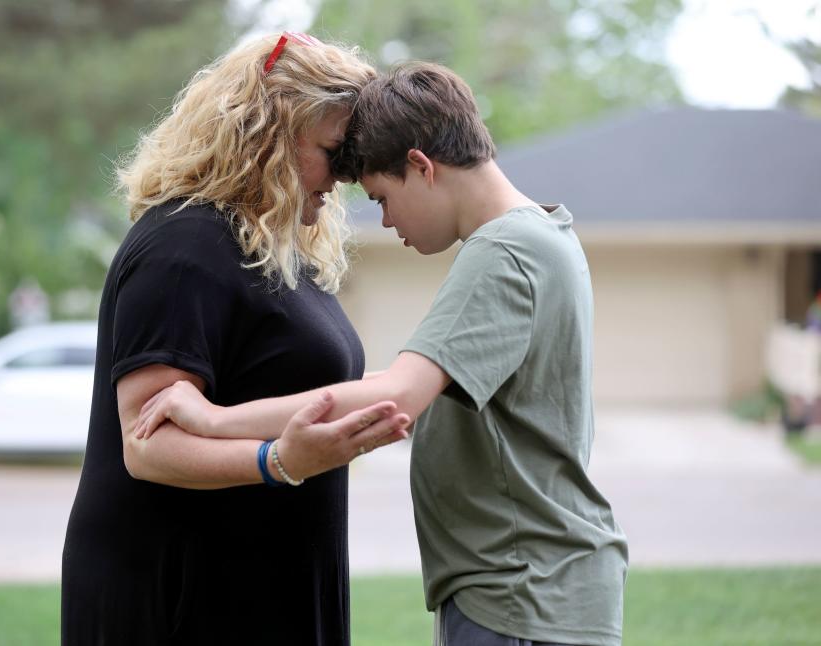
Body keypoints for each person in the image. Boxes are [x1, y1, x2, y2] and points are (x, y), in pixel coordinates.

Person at [135, 62, 629, 646]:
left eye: (382, 197)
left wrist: (213, 418)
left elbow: (397, 395)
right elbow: (397, 382)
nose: (387, 220)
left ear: (420, 166)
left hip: (521, 592)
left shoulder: (506, 250)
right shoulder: (546, 235)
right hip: (534, 588)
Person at [61, 33, 411, 646]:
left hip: (267, 578)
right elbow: (148, 446)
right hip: (187, 591)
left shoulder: (273, 251)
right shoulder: (185, 245)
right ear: (268, 132)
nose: (346, 176)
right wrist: (279, 461)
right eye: (335, 151)